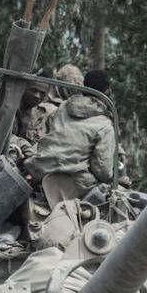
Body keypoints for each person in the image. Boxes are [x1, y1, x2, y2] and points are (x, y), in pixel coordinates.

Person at [25, 69, 118, 205]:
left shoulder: (63, 107)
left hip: (40, 169)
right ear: (107, 91)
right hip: (73, 183)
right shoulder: (105, 125)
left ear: (83, 86)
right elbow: (102, 170)